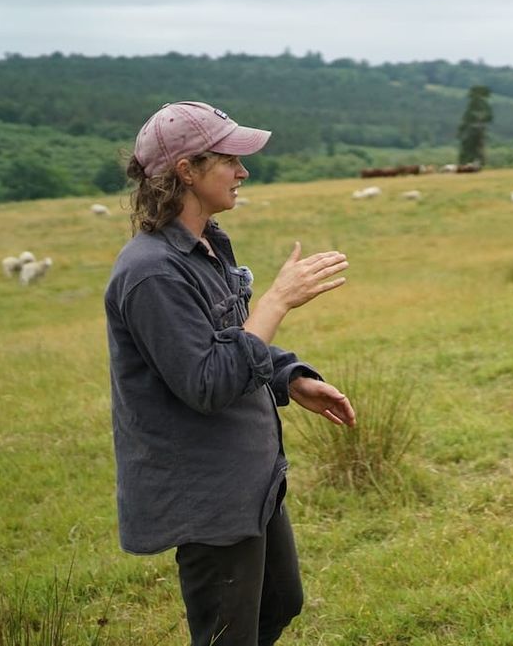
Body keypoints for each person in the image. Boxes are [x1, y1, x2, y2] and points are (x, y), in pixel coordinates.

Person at [104, 100, 355, 645]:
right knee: (227, 636)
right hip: (206, 494)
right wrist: (279, 300)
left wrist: (290, 377)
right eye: (228, 160)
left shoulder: (207, 246)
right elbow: (208, 383)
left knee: (279, 604)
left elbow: (234, 337)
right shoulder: (151, 273)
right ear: (186, 171)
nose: (243, 172)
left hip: (249, 481)